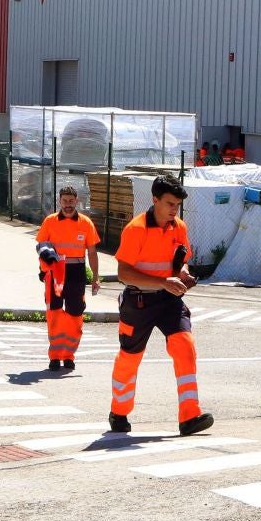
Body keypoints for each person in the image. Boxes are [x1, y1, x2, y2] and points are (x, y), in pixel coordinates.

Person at [109, 176, 213, 436]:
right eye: (169, 204)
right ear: (154, 199)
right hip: (138, 301)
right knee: (130, 359)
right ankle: (119, 412)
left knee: (185, 346)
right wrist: (162, 282)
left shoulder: (178, 227)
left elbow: (181, 260)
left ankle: (189, 416)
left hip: (169, 300)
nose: (173, 210)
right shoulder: (136, 229)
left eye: (177, 205)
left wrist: (184, 274)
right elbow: (124, 273)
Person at [35, 185, 101, 373]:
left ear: (77, 201)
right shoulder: (50, 221)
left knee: (75, 315)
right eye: (64, 201)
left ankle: (69, 355)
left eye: (71, 201)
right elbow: (41, 248)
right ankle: (55, 356)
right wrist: (43, 269)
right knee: (54, 313)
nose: (68, 205)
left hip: (76, 272)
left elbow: (93, 253)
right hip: (55, 271)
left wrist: (95, 278)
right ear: (59, 201)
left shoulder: (86, 223)